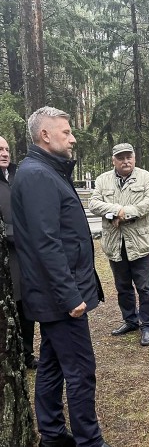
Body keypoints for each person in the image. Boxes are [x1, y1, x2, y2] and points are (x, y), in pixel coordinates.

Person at [11, 107, 110, 447]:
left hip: (55, 293)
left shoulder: (46, 171)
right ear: (45, 136)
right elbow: (46, 243)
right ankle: (89, 441)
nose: (73, 138)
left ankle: (52, 434)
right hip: (60, 297)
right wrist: (71, 297)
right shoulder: (38, 174)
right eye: (66, 132)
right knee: (81, 371)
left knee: (52, 364)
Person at [89, 143, 149, 347]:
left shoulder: (145, 177)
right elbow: (94, 204)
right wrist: (116, 210)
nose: (125, 161)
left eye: (129, 157)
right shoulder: (103, 180)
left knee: (145, 287)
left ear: (134, 158)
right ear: (114, 160)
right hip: (115, 243)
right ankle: (130, 320)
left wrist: (126, 213)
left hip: (141, 243)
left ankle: (147, 325)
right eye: (121, 158)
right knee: (123, 287)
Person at [0, 136, 38, 369]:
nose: (5, 153)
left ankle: (26, 354)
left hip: (25, 256)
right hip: (6, 256)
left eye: (6, 149)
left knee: (26, 306)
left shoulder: (16, 177)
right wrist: (19, 232)